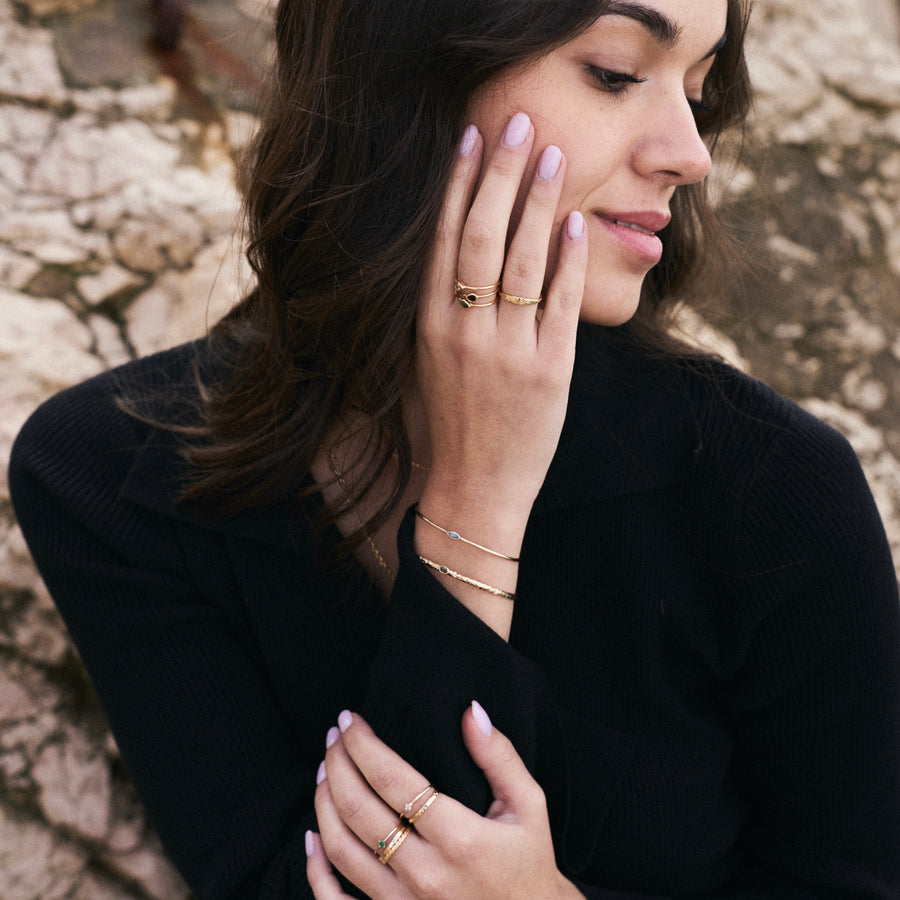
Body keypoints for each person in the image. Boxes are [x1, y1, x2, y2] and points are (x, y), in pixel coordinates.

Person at [9, 0, 900, 895]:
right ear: (405, 70)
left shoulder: (771, 490)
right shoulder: (108, 474)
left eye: (699, 92)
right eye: (616, 74)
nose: (688, 151)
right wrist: (478, 500)